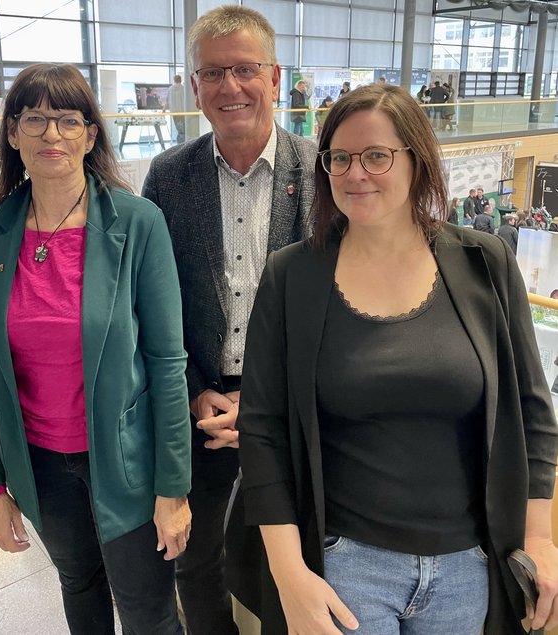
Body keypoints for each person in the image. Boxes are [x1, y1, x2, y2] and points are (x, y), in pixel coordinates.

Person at [231, 83, 558, 635]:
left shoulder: (484, 262)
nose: (355, 173)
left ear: (417, 159)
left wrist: (540, 538)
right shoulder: (292, 275)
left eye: (376, 155)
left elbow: (532, 408)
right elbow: (262, 430)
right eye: (339, 158)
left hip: (468, 568)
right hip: (345, 565)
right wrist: (289, 574)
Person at [0, 63, 191, 635]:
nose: (51, 134)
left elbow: (168, 365)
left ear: (90, 135)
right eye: (34, 119)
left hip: (127, 461)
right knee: (79, 587)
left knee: (148, 612)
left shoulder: (138, 223)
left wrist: (173, 488)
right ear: (12, 132)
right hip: (39, 462)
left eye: (68, 120)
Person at [141, 6, 316, 634]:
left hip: (293, 406)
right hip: (201, 408)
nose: (230, 86)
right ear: (195, 87)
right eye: (213, 73)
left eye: (245, 69)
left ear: (274, 77)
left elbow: (337, 309)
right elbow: (151, 304)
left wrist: (267, 403)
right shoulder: (168, 176)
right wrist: (192, 391)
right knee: (196, 561)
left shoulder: (322, 172)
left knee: (291, 563)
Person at [167, 74, 186, 144]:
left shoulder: (170, 89)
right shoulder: (184, 88)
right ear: (181, 80)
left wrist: (163, 110)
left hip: (174, 112)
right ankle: (182, 143)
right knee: (183, 128)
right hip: (184, 111)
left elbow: (167, 101)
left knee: (179, 128)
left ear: (174, 80)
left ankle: (180, 143)